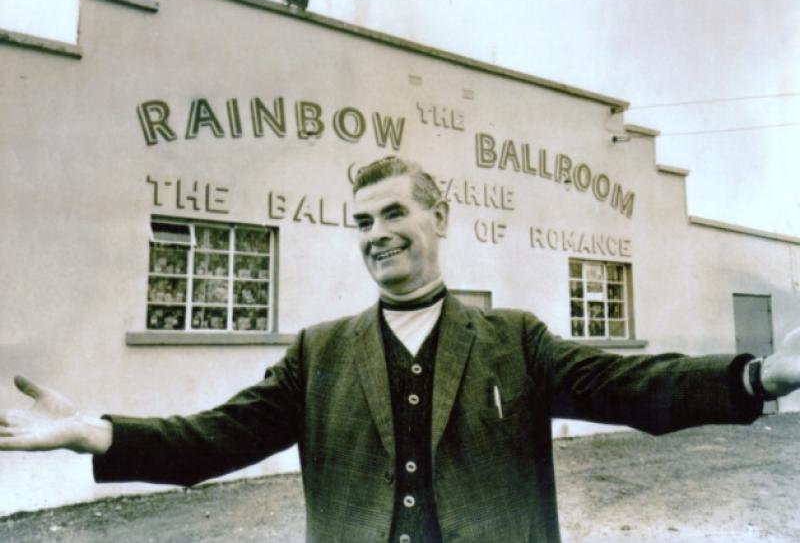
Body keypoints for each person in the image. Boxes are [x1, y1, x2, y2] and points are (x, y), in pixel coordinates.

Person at [1, 155, 799, 543]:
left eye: (392, 214)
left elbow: (634, 385)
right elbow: (213, 439)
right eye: (362, 222)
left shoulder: (515, 341)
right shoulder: (317, 355)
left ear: (438, 217)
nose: (377, 234)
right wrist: (94, 433)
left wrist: (763, 377)